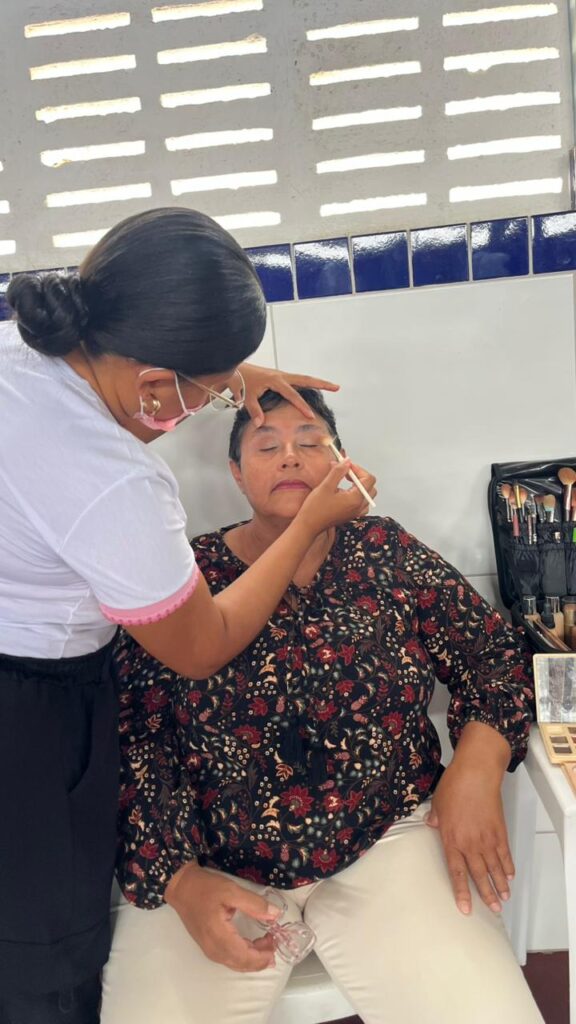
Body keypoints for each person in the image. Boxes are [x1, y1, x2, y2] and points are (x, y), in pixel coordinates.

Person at [0, 210, 375, 1024]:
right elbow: (201, 648)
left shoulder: (26, 354)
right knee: (41, 958)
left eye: (309, 440)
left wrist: (226, 379)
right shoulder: (118, 487)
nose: (289, 453)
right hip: (28, 712)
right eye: (253, 433)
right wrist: (309, 522)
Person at [105, 389, 543, 1024]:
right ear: (235, 473)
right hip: (216, 862)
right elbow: (133, 732)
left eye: (310, 442)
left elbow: (493, 654)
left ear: (341, 463)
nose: (290, 456)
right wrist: (177, 880)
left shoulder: (384, 549)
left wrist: (476, 767)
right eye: (266, 446)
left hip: (389, 835)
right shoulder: (186, 573)